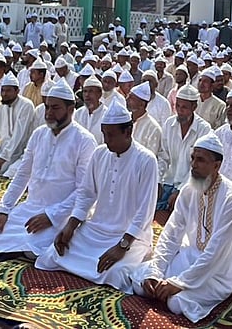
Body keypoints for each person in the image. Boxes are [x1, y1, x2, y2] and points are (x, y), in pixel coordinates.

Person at [35, 101, 157, 291]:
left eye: (111, 135)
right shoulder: (100, 153)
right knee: (51, 255)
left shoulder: (146, 160)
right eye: (104, 134)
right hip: (96, 231)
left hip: (128, 236)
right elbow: (86, 194)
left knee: (116, 275)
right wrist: (70, 226)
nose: (106, 140)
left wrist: (122, 246)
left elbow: (145, 210)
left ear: (128, 132)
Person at [0, 80, 97, 261]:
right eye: (47, 107)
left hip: (64, 212)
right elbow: (22, 175)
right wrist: (4, 210)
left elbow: (83, 190)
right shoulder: (39, 134)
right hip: (32, 207)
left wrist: (51, 216)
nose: (49, 113)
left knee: (36, 247)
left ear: (71, 110)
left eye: (55, 108)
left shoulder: (84, 140)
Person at [129, 133, 232, 323]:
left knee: (176, 302)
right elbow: (171, 234)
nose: (193, 164)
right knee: (142, 282)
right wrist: (156, 271)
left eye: (200, 160)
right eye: (193, 158)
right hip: (188, 257)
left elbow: (216, 252)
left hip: (219, 270)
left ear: (216, 166)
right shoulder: (188, 190)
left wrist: (179, 283)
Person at [158, 85, 213, 212]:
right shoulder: (169, 124)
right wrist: (158, 181)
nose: (179, 111)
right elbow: (163, 156)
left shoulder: (204, 129)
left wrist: (181, 190)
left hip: (191, 185)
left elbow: (199, 167)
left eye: (184, 107)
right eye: (177, 106)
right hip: (168, 182)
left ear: (194, 107)